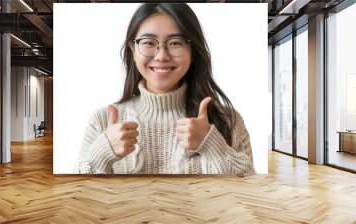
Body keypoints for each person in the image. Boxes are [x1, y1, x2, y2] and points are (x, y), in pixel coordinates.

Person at [75, 3, 256, 175]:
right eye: (148, 42)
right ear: (133, 49)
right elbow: (76, 199)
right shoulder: (102, 121)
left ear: (193, 50)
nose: (161, 56)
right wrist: (101, 155)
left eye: (176, 42)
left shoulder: (228, 121)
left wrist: (213, 146)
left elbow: (250, 196)